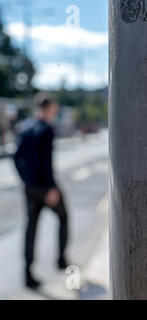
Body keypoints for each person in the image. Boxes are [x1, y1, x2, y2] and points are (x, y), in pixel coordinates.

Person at [14, 94, 70, 289]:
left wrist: (26, 181)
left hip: (30, 188)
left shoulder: (25, 127)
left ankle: (27, 274)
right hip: (46, 188)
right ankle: (61, 260)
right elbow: (46, 163)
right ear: (48, 108)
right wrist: (50, 188)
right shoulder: (46, 129)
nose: (55, 111)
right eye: (54, 108)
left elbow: (16, 157)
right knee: (64, 217)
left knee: (31, 229)